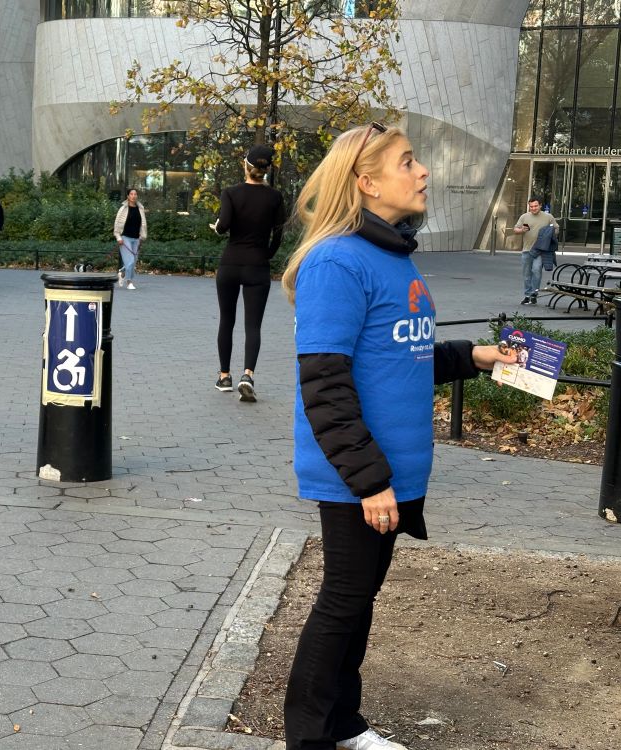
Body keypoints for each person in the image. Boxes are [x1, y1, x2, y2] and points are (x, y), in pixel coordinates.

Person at [278, 122, 517, 750]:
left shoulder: (391, 255)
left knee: (357, 603)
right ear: (366, 182)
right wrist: (369, 481)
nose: (423, 173)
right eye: (408, 162)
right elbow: (324, 383)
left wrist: (476, 357)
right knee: (342, 604)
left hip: (392, 471)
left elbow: (398, 353)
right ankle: (307, 737)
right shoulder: (336, 260)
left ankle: (344, 726)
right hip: (360, 476)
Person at [212, 144, 287, 402]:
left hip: (230, 264)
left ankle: (224, 377)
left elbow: (224, 226)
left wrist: (217, 227)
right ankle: (248, 375)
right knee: (253, 325)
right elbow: (279, 234)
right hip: (258, 266)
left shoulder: (230, 193)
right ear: (265, 171)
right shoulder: (275, 197)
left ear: (246, 166)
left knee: (227, 320)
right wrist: (266, 254)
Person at [513, 197, 558, 305]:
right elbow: (515, 229)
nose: (533, 208)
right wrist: (521, 230)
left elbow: (556, 229)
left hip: (540, 250)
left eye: (535, 206)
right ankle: (527, 295)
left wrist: (549, 234)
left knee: (537, 270)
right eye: (531, 206)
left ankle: (534, 293)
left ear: (540, 205)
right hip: (526, 249)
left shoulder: (548, 217)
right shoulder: (524, 217)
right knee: (527, 274)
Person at [113, 188, 147, 290]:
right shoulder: (123, 209)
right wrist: (118, 237)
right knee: (130, 261)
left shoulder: (140, 208)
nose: (133, 196)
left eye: (135, 194)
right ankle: (129, 282)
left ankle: (122, 273)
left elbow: (143, 224)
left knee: (133, 261)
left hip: (136, 238)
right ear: (128, 196)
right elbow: (117, 225)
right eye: (131, 194)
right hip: (125, 238)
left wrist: (142, 237)